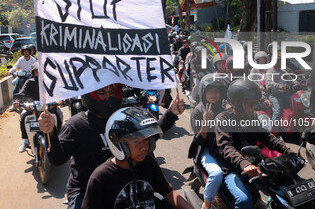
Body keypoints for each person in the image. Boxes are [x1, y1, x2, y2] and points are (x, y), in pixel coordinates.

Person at [38, 85, 184, 209]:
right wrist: (50, 133)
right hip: (85, 188)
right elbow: (57, 159)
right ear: (89, 94)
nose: (108, 97)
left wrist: (171, 113)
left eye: (112, 92)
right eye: (102, 93)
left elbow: (148, 136)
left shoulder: (123, 118)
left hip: (122, 182)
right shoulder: (75, 126)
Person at [81, 107, 193, 209]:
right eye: (136, 141)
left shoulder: (149, 163)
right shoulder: (101, 176)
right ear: (119, 144)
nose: (143, 147)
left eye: (145, 140)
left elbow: (169, 194)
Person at [214, 80, 293, 209]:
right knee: (244, 201)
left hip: (254, 165)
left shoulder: (252, 116)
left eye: (256, 103)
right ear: (238, 103)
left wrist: (288, 151)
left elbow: (266, 137)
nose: (254, 107)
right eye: (251, 104)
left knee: (283, 189)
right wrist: (244, 164)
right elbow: (225, 147)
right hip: (232, 168)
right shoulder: (223, 119)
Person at [188, 75, 225, 209]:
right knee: (216, 174)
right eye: (210, 91)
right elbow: (199, 140)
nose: (214, 94)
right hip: (206, 150)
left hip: (223, 148)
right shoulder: (198, 111)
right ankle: (207, 204)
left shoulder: (223, 109)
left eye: (217, 91)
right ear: (203, 91)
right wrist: (206, 122)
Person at [14, 62, 62, 152]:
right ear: (33, 72)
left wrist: (60, 100)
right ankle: (25, 140)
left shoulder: (50, 81)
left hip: (49, 107)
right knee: (23, 117)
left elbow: (58, 91)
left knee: (58, 115)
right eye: (36, 71)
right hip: (32, 107)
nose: (39, 73)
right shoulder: (29, 82)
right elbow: (22, 93)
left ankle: (58, 136)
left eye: (41, 71)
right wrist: (17, 101)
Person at [265, 55, 291, 125]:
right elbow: (269, 82)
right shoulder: (270, 71)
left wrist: (298, 83)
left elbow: (291, 79)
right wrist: (278, 86)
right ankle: (274, 130)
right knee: (277, 110)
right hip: (274, 94)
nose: (282, 63)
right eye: (280, 61)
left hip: (284, 93)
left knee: (294, 105)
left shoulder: (283, 71)